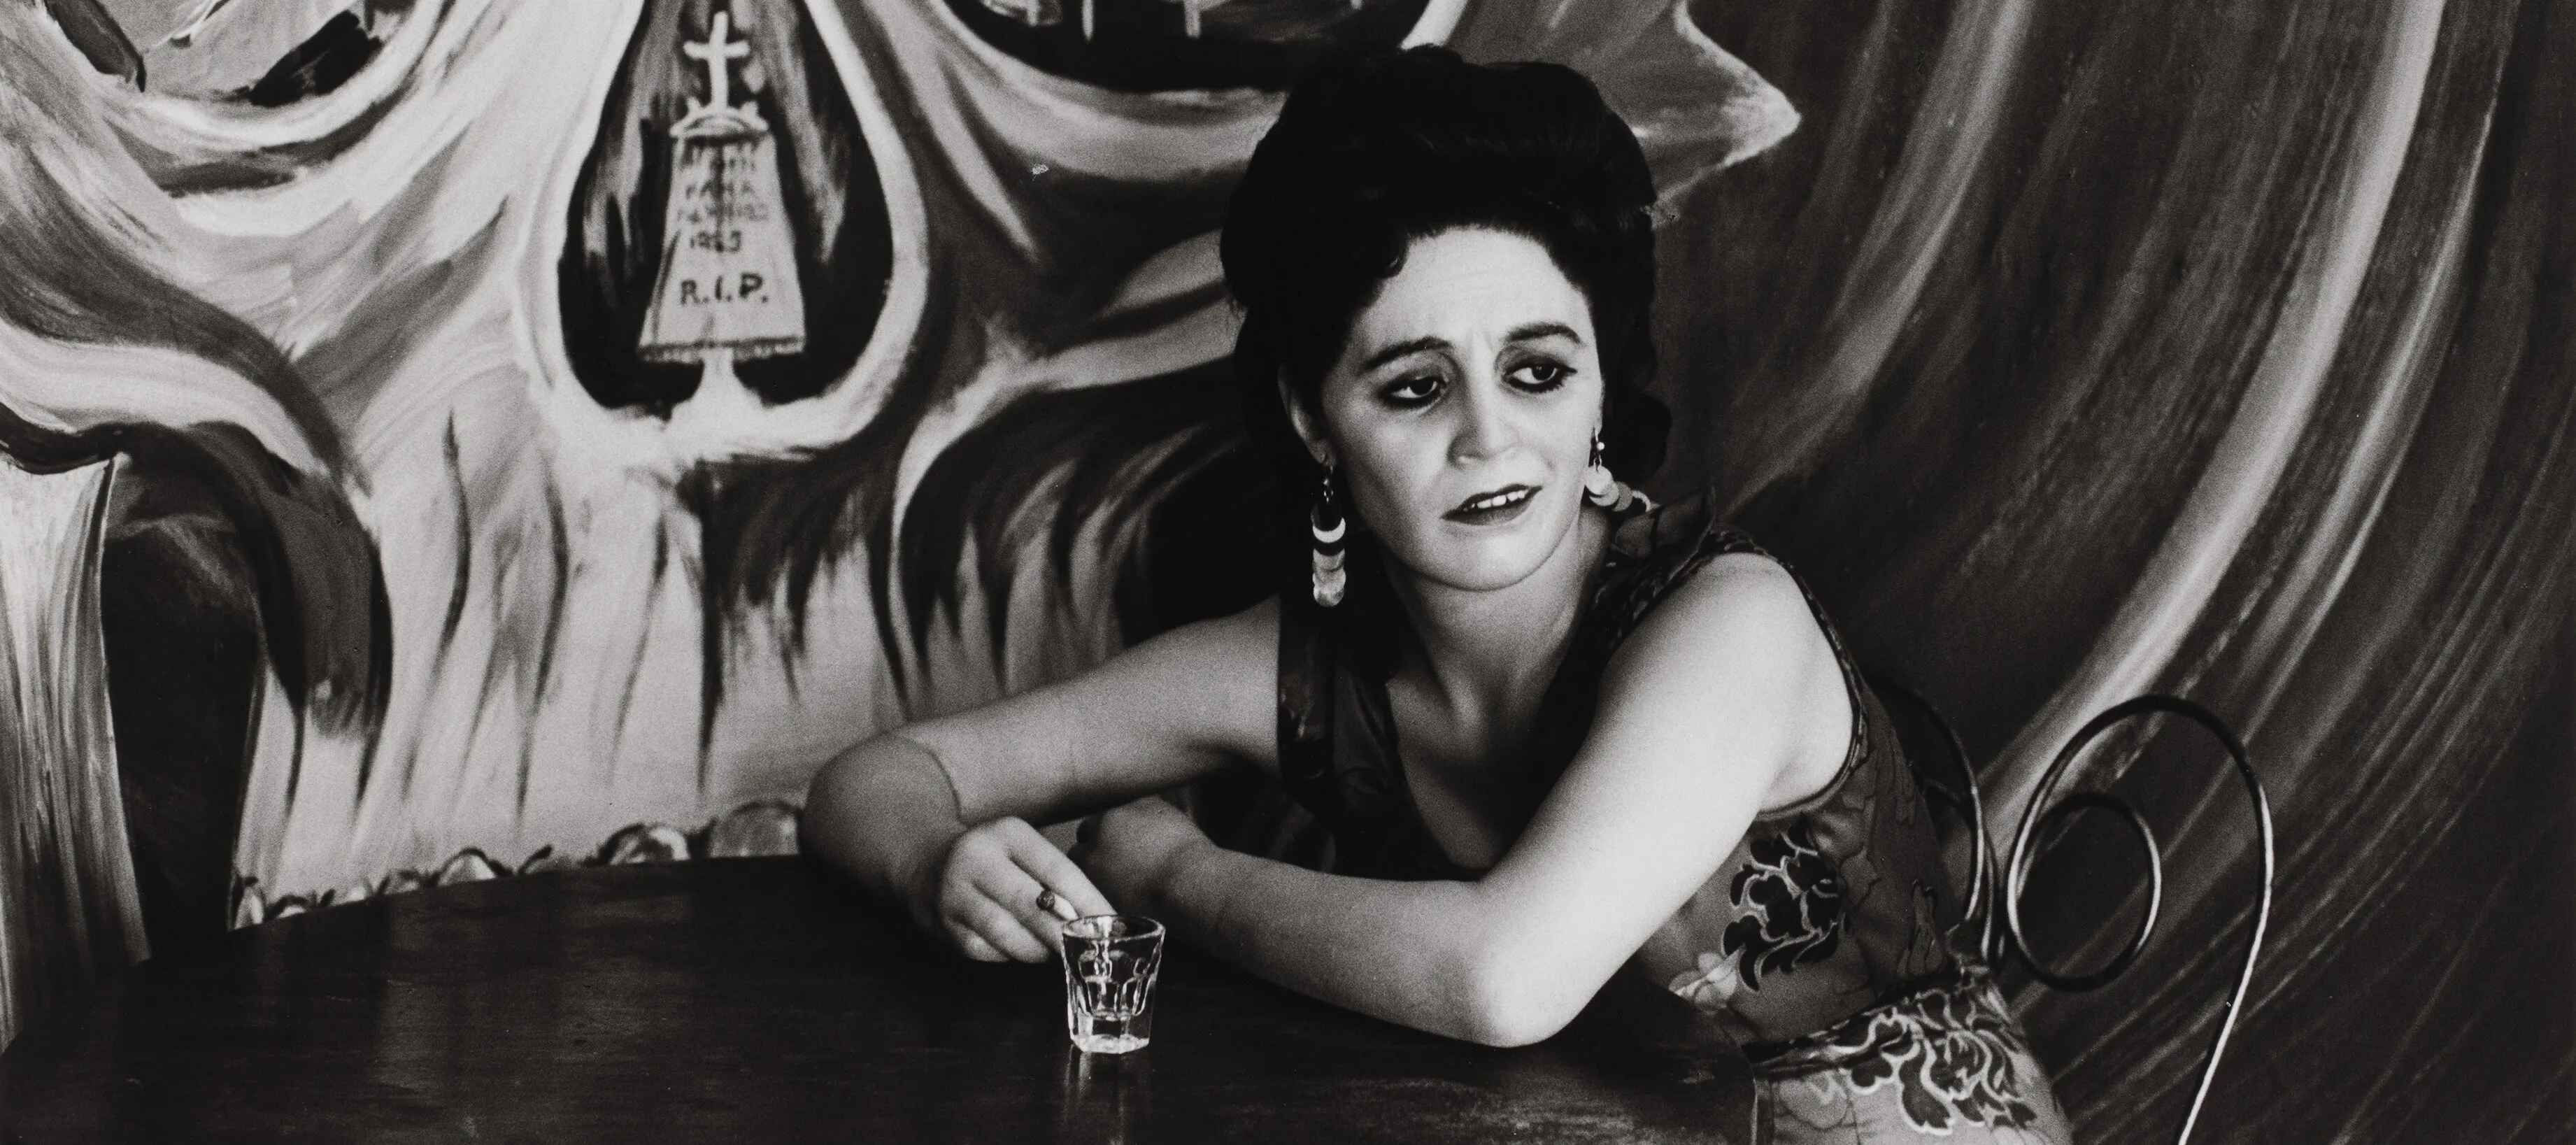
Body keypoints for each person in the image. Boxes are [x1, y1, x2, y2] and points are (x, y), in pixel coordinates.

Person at [804, 46, 2072, 1144]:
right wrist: (935, 868)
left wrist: (1170, 876)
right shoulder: (1295, 668)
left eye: (1535, 370)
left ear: (1597, 394)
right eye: (1413, 387)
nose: (1487, 441)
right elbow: (877, 778)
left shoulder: (1727, 625)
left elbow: (1505, 981)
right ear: (1315, 421)